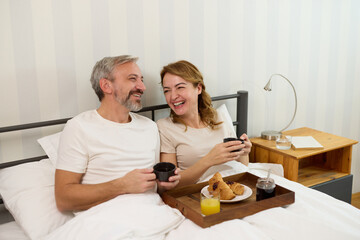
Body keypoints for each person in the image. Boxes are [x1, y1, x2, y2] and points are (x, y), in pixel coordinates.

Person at [54, 55, 180, 212]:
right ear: (106, 85)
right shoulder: (79, 128)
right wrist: (122, 185)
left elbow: (157, 191)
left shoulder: (149, 127)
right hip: (105, 221)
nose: (142, 87)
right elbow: (63, 199)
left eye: (142, 80)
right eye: (133, 79)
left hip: (154, 214)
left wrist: (164, 185)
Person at [156, 60, 251, 187]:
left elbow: (242, 166)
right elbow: (170, 183)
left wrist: (244, 153)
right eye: (167, 90)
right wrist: (208, 160)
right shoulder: (165, 127)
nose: (173, 96)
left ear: (198, 88)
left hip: (234, 185)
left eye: (180, 87)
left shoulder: (219, 117)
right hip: (200, 193)